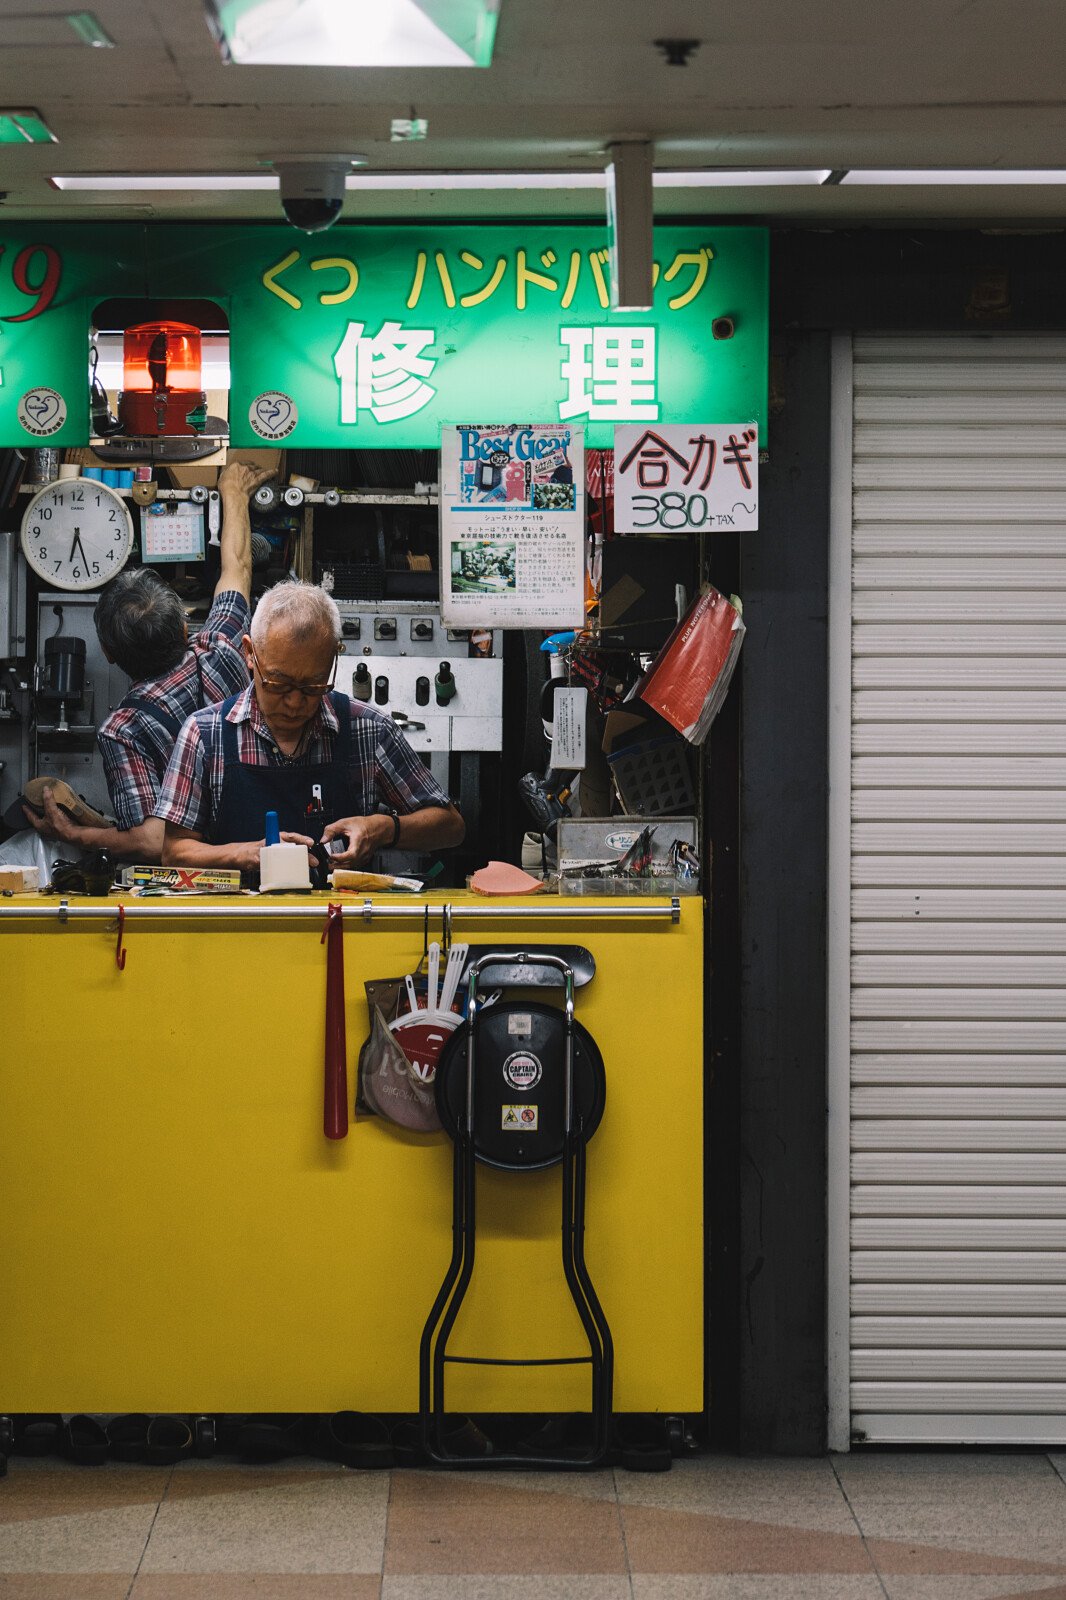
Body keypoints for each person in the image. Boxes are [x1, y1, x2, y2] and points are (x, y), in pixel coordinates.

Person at [20, 461, 271, 862]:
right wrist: (234, 492)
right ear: (185, 630)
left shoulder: (123, 730)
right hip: (268, 850)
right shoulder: (221, 648)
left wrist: (74, 833)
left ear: (109, 653)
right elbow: (237, 568)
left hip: (196, 881)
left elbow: (154, 843)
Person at [155, 579, 465, 875]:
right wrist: (247, 854)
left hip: (341, 923)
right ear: (250, 654)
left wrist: (383, 829)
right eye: (279, 683)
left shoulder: (368, 730)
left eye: (313, 685)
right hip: (240, 924)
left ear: (333, 658)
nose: (294, 701)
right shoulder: (205, 734)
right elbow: (175, 850)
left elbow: (451, 827)